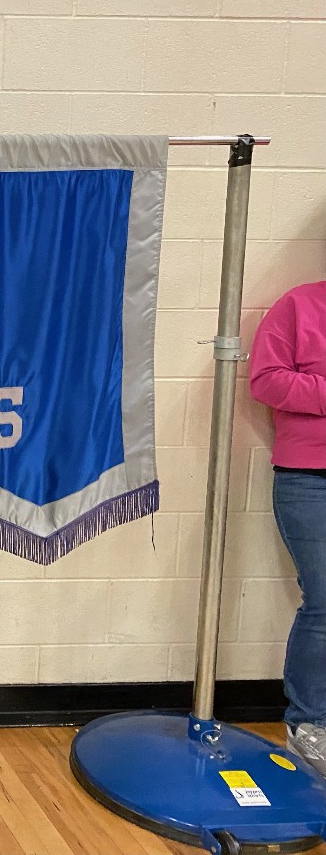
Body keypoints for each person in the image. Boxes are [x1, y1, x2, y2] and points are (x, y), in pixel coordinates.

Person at [249, 279, 326, 777]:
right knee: (324, 601)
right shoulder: (299, 305)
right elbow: (266, 380)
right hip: (309, 479)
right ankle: (310, 725)